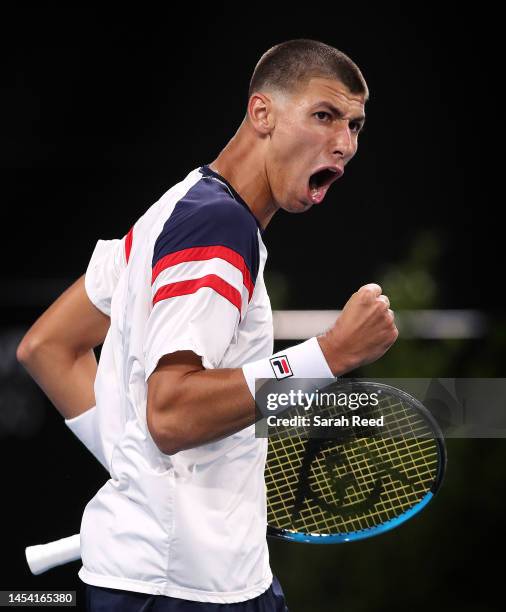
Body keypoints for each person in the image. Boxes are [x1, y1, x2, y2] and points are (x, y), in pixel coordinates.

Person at [17, 39, 398, 611]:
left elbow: (48, 348)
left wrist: (140, 474)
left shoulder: (174, 211)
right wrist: (330, 354)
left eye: (355, 125)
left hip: (183, 576)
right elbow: (171, 414)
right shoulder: (219, 230)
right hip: (181, 591)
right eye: (324, 116)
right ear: (261, 113)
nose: (343, 144)